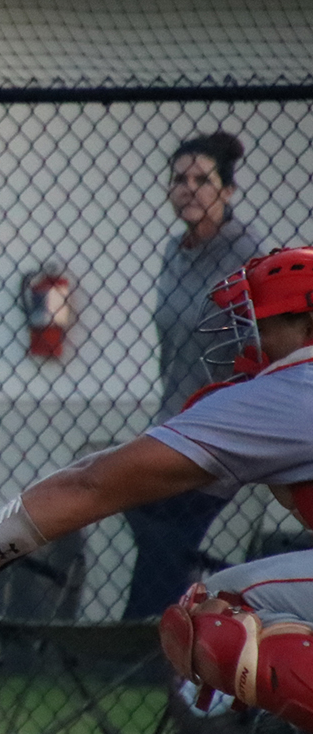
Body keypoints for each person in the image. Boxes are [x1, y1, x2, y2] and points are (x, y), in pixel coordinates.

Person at [0, 247, 313, 732]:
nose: (248, 340)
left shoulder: (292, 389)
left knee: (217, 612)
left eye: (261, 322)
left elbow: (94, 481)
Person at [121, 131, 266, 619]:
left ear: (226, 191)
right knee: (143, 511)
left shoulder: (248, 258)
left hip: (225, 426)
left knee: (168, 529)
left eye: (202, 179)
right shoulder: (173, 253)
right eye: (179, 179)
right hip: (173, 421)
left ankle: (148, 634)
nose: (188, 188)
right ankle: (157, 633)